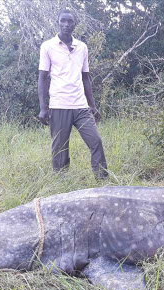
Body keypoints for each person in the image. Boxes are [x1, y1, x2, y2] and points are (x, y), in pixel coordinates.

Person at [38, 9, 108, 179]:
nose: (66, 25)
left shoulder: (82, 47)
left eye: (70, 21)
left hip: (80, 106)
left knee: (96, 141)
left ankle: (102, 181)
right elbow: (42, 78)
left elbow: (86, 79)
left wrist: (93, 106)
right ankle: (61, 185)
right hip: (59, 105)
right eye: (63, 21)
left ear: (75, 24)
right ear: (58, 22)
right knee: (60, 150)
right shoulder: (48, 46)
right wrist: (43, 108)